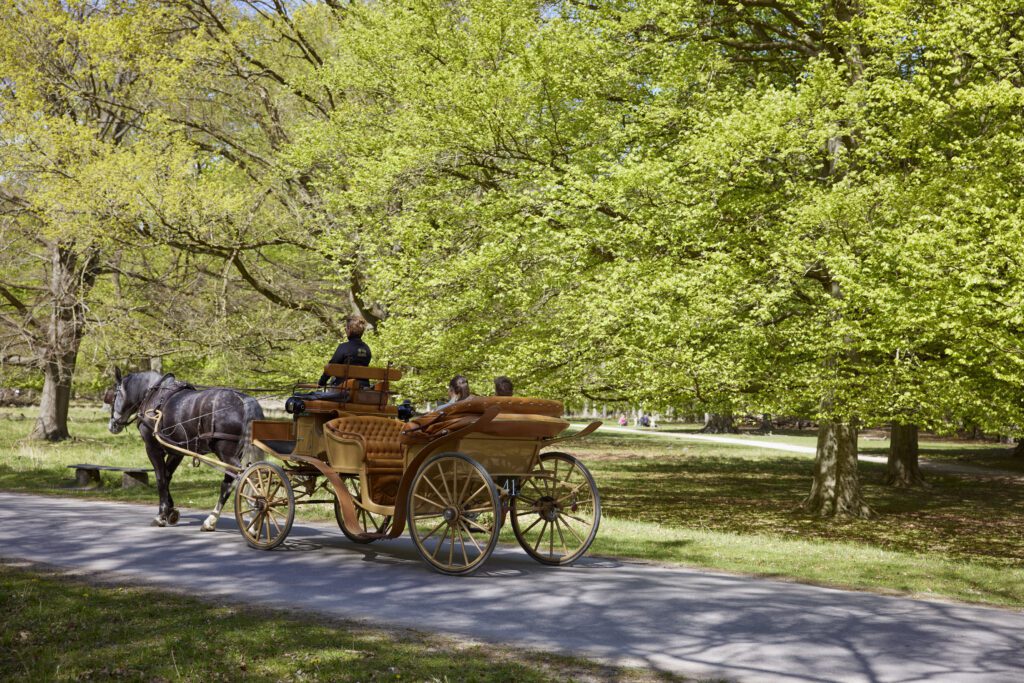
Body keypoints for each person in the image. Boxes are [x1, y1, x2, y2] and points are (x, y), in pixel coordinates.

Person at [318, 314, 371, 387]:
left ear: (349, 330)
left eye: (346, 328)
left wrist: (321, 382)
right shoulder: (366, 348)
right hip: (363, 389)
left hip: (344, 390)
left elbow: (331, 367)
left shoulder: (344, 347)